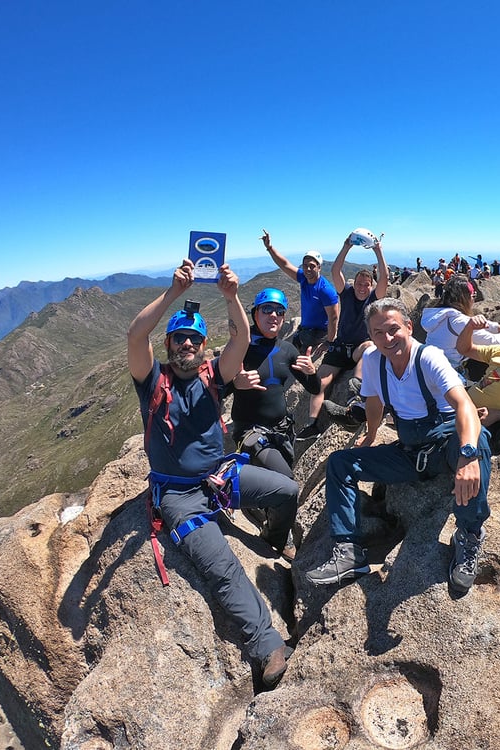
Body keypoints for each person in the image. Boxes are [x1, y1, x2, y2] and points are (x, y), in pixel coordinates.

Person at [128, 259, 296, 690]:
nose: (187, 344)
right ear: (169, 345)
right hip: (180, 497)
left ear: (204, 345)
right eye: (180, 339)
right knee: (220, 566)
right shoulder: (152, 380)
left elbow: (241, 337)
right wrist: (171, 293)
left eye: (194, 339)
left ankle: (274, 540)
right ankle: (266, 646)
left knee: (286, 490)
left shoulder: (214, 376)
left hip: (219, 477)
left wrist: (231, 295)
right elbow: (135, 335)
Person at [305, 298, 492, 593]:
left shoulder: (428, 358)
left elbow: (464, 406)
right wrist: (370, 434)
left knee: (476, 440)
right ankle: (348, 551)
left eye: (393, 329)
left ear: (409, 326)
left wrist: (467, 456)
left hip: (444, 444)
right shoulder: (373, 361)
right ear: (370, 336)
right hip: (409, 453)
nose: (387, 338)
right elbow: (376, 401)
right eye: (378, 332)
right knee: (340, 463)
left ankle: (468, 534)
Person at [229, 287, 321, 557]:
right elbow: (217, 389)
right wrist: (235, 383)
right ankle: (276, 537)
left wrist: (312, 373)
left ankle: (261, 509)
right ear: (254, 314)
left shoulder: (287, 350)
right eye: (266, 309)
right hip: (251, 433)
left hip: (282, 432)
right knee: (287, 484)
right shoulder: (240, 351)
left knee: (276, 480)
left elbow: (314, 388)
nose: (274, 315)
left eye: (279, 311)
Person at [298, 235, 389, 439]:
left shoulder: (374, 298)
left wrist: (378, 251)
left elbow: (385, 278)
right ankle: (312, 424)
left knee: (369, 348)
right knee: (319, 383)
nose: (362, 287)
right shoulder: (346, 293)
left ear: (371, 286)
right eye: (359, 283)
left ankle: (355, 389)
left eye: (366, 284)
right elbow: (335, 271)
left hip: (358, 348)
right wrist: (346, 246)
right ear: (353, 283)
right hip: (340, 348)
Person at [421, 274, 500, 383]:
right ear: (464, 299)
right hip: (444, 373)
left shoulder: (440, 314)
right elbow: (493, 342)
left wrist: (496, 327)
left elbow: (481, 324)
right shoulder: (459, 322)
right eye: (473, 296)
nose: (473, 300)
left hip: (430, 367)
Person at [260, 230, 340, 354]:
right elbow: (285, 264)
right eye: (305, 265)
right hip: (305, 329)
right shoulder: (304, 278)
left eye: (312, 266)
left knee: (291, 358)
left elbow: (333, 318)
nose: (308, 269)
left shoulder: (325, 290)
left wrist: (329, 342)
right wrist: (270, 248)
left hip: (317, 333)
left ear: (319, 267)